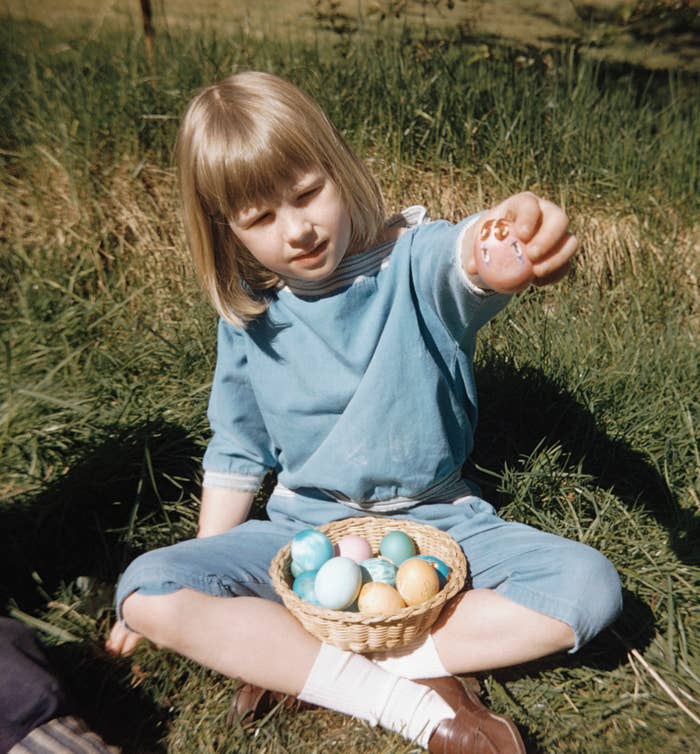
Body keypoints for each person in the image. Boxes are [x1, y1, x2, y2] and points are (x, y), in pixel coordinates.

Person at [106, 71, 623, 753]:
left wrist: (500, 245)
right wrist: (201, 568)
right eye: (260, 219)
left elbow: (462, 260)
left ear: (336, 165)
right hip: (303, 534)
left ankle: (312, 662)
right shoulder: (249, 313)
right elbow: (237, 448)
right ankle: (403, 695)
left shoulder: (409, 265)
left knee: (588, 589)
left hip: (439, 522)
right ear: (226, 232)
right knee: (146, 590)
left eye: (307, 193)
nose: (297, 230)